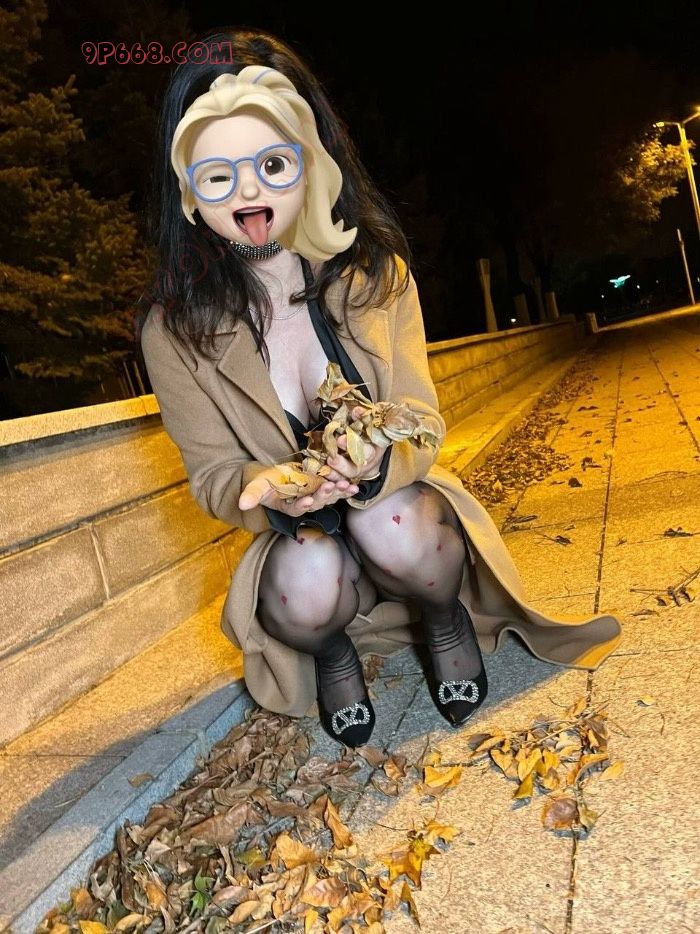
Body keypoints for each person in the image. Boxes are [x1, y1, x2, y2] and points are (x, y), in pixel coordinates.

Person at [138, 30, 622, 749]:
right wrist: (267, 490)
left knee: (390, 521)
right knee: (304, 579)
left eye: (272, 163)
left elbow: (422, 416)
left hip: (394, 508)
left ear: (311, 158)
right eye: (219, 173)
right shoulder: (172, 329)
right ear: (186, 185)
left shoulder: (374, 274)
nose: (249, 192)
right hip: (302, 535)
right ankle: (332, 653)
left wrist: (374, 464)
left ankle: (445, 618)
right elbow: (213, 476)